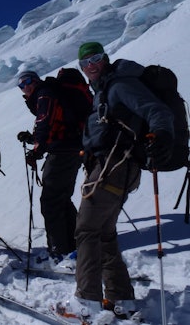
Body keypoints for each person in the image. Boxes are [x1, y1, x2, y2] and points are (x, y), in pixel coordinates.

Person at [54, 42, 174, 322]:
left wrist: (163, 135)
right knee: (104, 234)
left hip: (113, 166)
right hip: (116, 168)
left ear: (105, 59)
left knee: (85, 231)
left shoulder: (119, 86)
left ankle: (86, 301)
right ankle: (122, 298)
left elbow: (158, 111)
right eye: (85, 63)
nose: (91, 66)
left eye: (96, 59)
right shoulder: (104, 92)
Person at [16, 70, 81, 265]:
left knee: (51, 201)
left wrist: (38, 148)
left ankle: (59, 252)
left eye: (27, 82)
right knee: (61, 198)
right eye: (21, 85)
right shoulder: (47, 94)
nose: (25, 87)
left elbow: (45, 121)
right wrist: (34, 139)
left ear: (35, 80)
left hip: (62, 151)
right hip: (71, 148)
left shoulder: (44, 93)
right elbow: (52, 123)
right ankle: (76, 244)